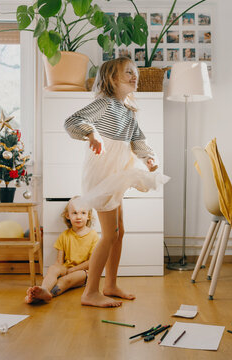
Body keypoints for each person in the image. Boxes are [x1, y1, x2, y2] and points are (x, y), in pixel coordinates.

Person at [64, 57, 169, 308]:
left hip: (118, 173)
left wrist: (149, 158)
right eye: (128, 73)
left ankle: (110, 284)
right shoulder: (104, 105)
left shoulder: (127, 112)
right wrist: (92, 133)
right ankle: (90, 292)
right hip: (102, 174)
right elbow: (72, 122)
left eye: (135, 73)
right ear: (112, 79)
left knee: (119, 232)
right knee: (109, 234)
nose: (135, 76)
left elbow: (137, 140)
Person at [25, 197, 98, 304]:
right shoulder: (64, 235)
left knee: (65, 281)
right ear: (68, 216)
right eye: (74, 213)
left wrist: (73, 270)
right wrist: (55, 272)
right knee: (53, 268)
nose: (78, 217)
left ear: (89, 216)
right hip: (66, 268)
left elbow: (91, 263)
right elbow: (59, 262)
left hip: (84, 272)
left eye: (83, 213)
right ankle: (43, 289)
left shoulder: (93, 236)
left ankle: (42, 296)